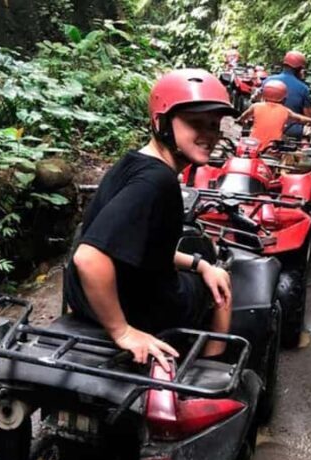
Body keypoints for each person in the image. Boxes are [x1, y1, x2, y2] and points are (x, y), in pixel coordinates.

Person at [65, 69, 236, 369]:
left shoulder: (134, 162)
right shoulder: (157, 182)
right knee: (223, 284)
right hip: (140, 306)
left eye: (214, 125)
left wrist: (200, 264)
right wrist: (123, 331)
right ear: (162, 123)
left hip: (86, 297)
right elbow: (89, 257)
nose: (209, 135)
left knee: (211, 271)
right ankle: (214, 369)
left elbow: (143, 247)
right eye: (196, 123)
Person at [236, 80, 311, 151]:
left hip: (253, 146)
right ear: (284, 98)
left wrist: (239, 120)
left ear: (264, 95)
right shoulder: (285, 110)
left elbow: (243, 116)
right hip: (272, 148)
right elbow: (300, 119)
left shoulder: (256, 106)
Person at [262, 50, 311, 139]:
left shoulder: (268, 81)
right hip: (291, 129)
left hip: (265, 124)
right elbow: (309, 117)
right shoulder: (303, 88)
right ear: (299, 69)